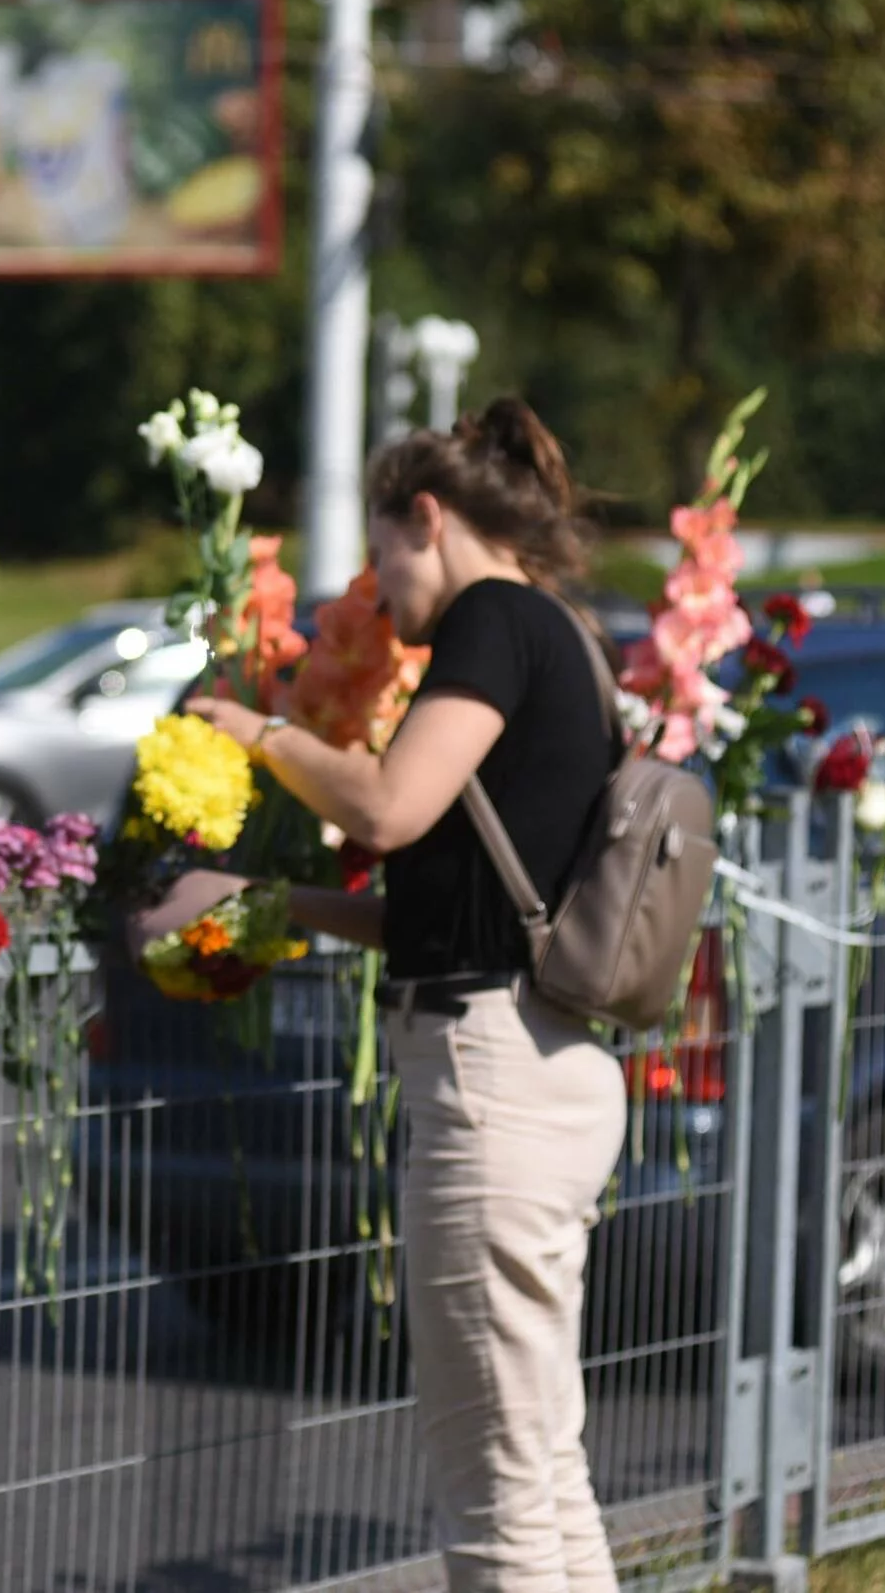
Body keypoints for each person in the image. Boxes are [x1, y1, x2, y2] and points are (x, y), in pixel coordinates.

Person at [167, 399, 625, 1593]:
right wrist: (274, 900)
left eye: (379, 555)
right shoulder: (569, 637)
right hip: (549, 1062)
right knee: (540, 1471)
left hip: (492, 1089)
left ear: (427, 516)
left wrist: (256, 726)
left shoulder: (488, 620)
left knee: (494, 1496)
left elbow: (382, 808)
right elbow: (447, 907)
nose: (376, 593)